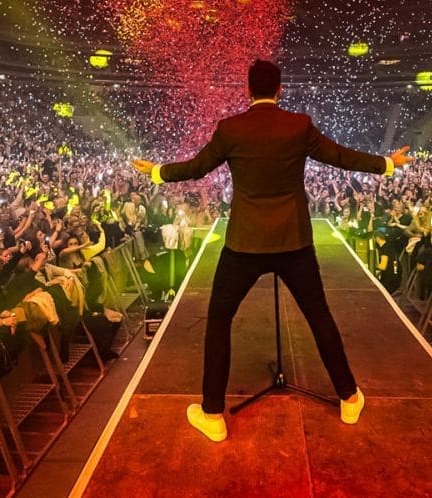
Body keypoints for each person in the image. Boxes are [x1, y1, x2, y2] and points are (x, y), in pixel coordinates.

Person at [132, 60, 413, 442]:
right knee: (319, 317)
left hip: (244, 244)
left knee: (219, 320)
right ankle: (349, 397)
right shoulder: (298, 125)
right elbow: (341, 156)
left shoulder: (231, 129)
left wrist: (156, 172)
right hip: (293, 242)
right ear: (280, 90)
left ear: (248, 90)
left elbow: (196, 168)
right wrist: (387, 164)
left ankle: (212, 414)